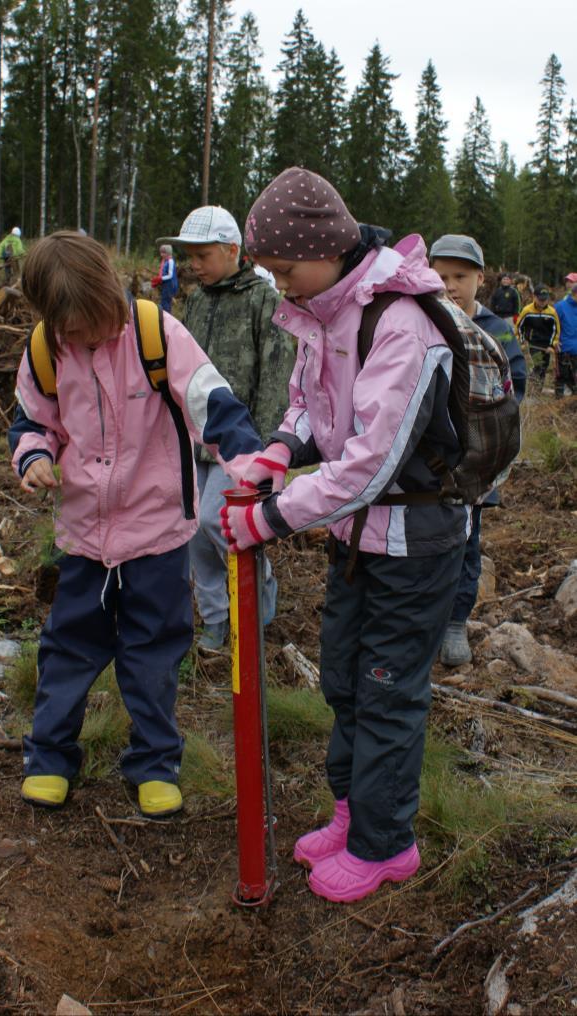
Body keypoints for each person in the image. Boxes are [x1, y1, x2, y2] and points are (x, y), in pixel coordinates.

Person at [221, 167, 469, 904]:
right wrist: (280, 450)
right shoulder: (322, 311)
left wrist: (269, 515)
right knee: (343, 681)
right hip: (355, 538)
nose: (280, 286)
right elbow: (309, 406)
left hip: (414, 542)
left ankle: (386, 844)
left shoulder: (403, 321)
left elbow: (370, 460)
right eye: (267, 273)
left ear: (326, 248)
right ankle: (352, 811)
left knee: (389, 692)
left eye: (285, 269)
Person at [8, 231, 264, 814]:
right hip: (84, 537)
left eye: (98, 322)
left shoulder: (156, 333)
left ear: (112, 296)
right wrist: (35, 458)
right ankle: (49, 756)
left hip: (156, 534)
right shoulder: (44, 351)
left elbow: (212, 404)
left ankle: (154, 762)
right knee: (68, 648)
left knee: (153, 652)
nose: (91, 337)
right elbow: (30, 422)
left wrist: (250, 467)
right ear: (52, 319)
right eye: (75, 330)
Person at [157, 206, 294, 652]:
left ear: (233, 249)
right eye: (189, 256)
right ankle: (217, 618)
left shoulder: (263, 299)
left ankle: (259, 590)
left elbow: (277, 372)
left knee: (221, 519)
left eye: (203, 255)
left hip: (243, 441)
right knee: (192, 527)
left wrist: (270, 443)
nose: (194, 265)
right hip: (196, 437)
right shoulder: (194, 301)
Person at [429, 235, 526, 666]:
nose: (449, 285)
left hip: (477, 463)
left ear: (480, 278)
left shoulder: (497, 328)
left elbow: (514, 387)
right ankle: (426, 619)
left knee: (467, 542)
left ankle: (455, 621)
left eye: (460, 276)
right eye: (440, 275)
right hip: (430, 461)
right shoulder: (426, 320)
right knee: (429, 540)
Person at [516, 285, 560, 393]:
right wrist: (521, 341)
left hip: (547, 345)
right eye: (540, 299)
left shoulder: (552, 312)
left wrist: (552, 346)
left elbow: (556, 330)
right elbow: (519, 327)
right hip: (533, 344)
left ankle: (538, 390)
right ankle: (532, 389)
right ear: (534, 297)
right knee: (538, 364)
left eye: (544, 299)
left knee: (544, 368)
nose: (542, 302)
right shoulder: (527, 310)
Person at [554, 281, 577, 397]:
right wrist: (554, 341)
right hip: (564, 349)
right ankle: (558, 405)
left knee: (574, 381)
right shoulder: (560, 306)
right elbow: (552, 326)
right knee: (562, 378)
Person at [151, 243, 179, 313]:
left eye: (163, 253)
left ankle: (166, 316)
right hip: (166, 284)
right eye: (161, 252)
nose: (161, 255)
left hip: (170, 285)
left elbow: (170, 275)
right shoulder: (165, 261)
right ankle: (164, 315)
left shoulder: (170, 261)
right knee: (164, 301)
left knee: (166, 302)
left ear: (168, 253)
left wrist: (160, 279)